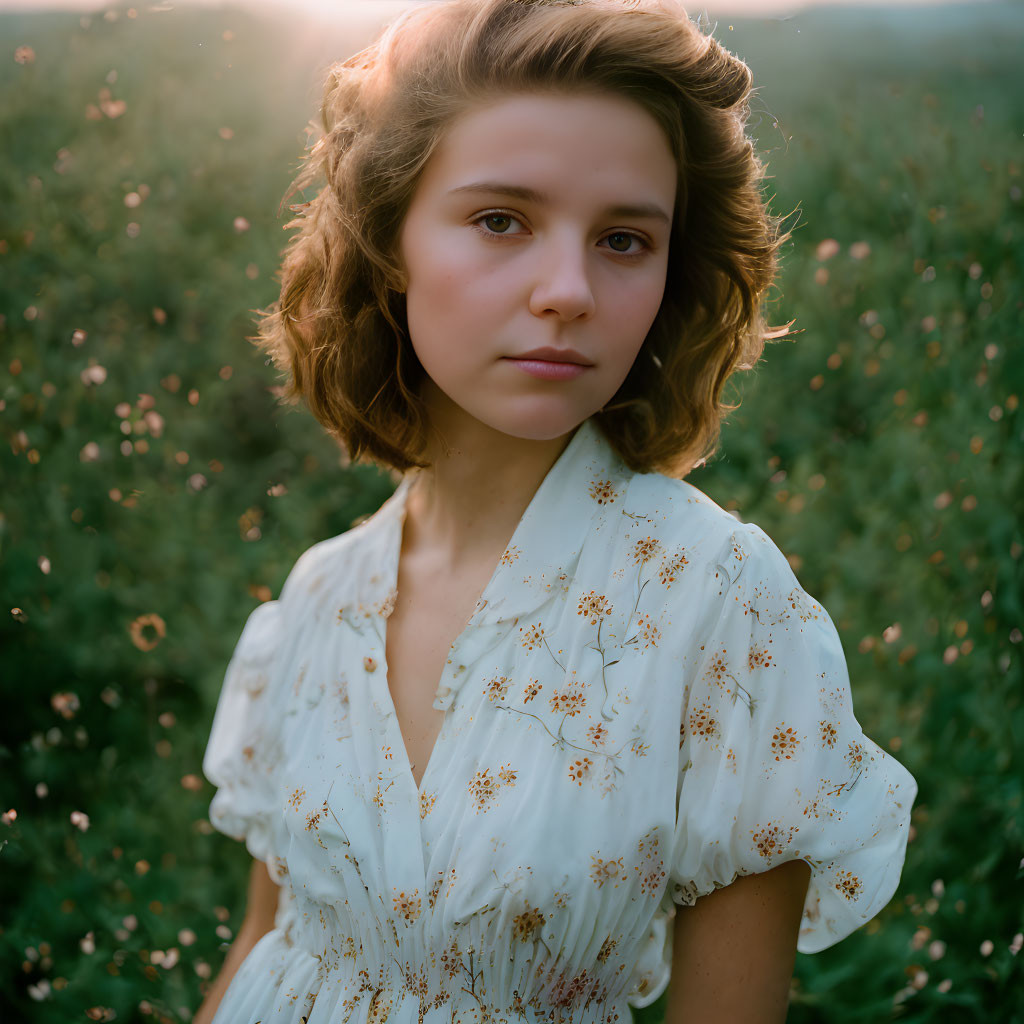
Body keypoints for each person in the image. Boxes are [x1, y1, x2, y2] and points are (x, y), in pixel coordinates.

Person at [196, 0, 917, 1021]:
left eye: (625, 239)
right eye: (501, 220)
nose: (569, 289)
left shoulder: (717, 604)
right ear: (391, 238)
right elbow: (264, 948)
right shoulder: (317, 601)